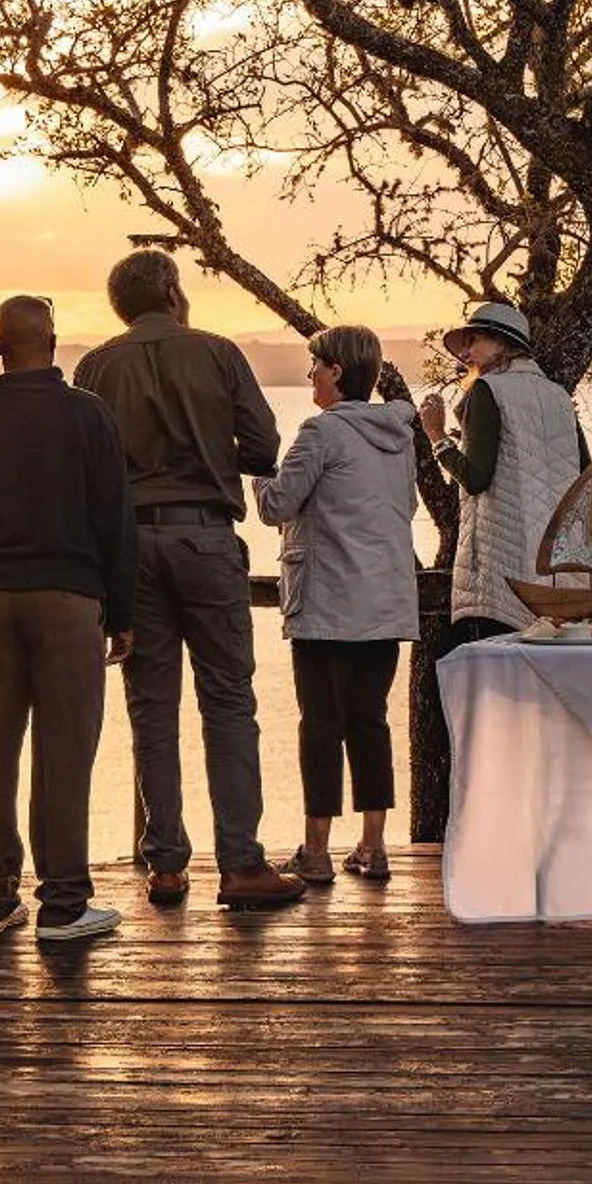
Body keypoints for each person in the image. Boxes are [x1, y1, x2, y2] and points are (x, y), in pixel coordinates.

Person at [72, 250, 306, 912]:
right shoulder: (219, 353)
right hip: (203, 536)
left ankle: (167, 865)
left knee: (150, 707)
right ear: (173, 292)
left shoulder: (95, 366)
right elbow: (262, 449)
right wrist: (208, 449)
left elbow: (87, 466)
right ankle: (239, 864)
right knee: (228, 701)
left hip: (126, 545)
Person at [0, 293, 136, 943]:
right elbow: (114, 521)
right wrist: (122, 611)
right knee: (63, 755)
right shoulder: (88, 417)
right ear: (53, 341)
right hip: (69, 604)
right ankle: (64, 905)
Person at [257, 324, 419, 885]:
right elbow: (405, 507)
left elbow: (277, 505)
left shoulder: (319, 434)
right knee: (369, 721)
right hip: (386, 601)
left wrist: (257, 467)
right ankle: (373, 846)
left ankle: (317, 850)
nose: (309, 375)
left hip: (327, 602)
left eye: (316, 366)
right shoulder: (399, 437)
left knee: (321, 725)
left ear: (338, 373)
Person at [419, 301, 591, 645]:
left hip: (503, 571)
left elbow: (477, 478)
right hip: (562, 573)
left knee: (496, 685)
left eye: (475, 340)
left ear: (503, 343)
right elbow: (586, 473)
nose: (466, 352)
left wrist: (437, 436)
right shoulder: (557, 395)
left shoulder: (489, 390)